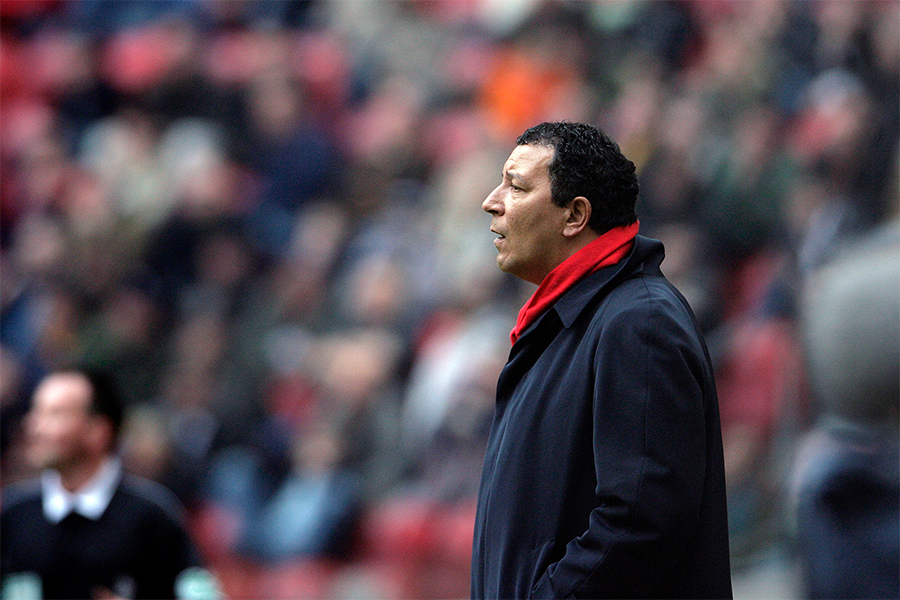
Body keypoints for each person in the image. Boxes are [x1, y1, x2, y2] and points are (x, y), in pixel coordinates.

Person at [471, 122, 732, 599]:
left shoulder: (640, 323)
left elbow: (643, 520)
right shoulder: (567, 322)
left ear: (575, 215)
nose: (492, 201)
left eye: (517, 187)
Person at [1, 368, 219, 600]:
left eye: (55, 414)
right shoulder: (14, 514)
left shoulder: (152, 516)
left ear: (98, 431)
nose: (34, 426)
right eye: (36, 412)